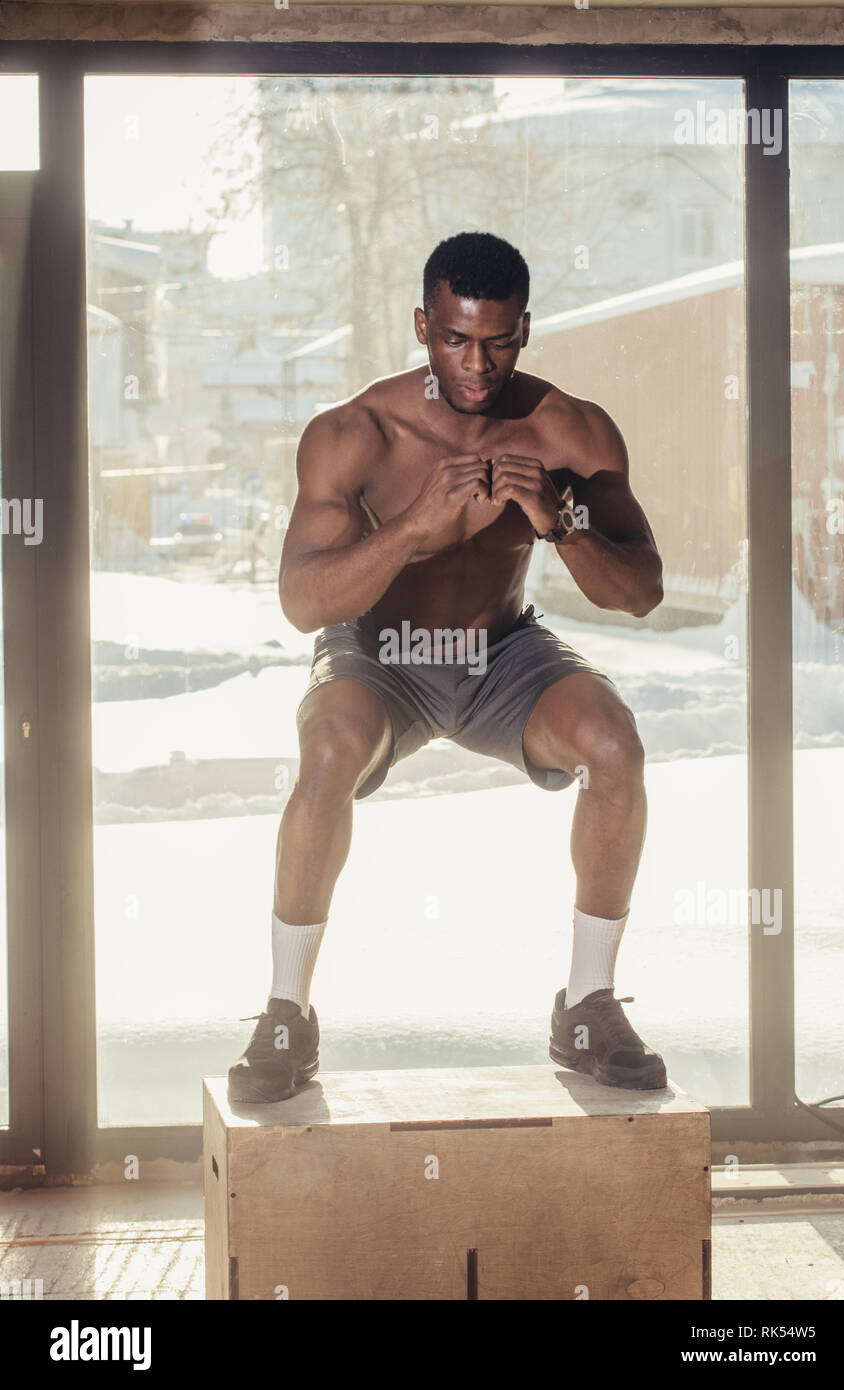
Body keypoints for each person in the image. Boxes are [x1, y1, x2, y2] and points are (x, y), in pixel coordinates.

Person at [228, 230, 667, 1103]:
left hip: (501, 651)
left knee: (615, 744)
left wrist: (559, 519)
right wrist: (411, 531)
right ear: (423, 324)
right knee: (326, 752)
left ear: (526, 329)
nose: (478, 362)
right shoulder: (355, 434)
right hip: (379, 654)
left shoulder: (568, 429)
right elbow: (303, 603)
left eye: (499, 341)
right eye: (458, 339)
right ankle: (285, 1013)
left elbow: (643, 590)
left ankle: (587, 1007)